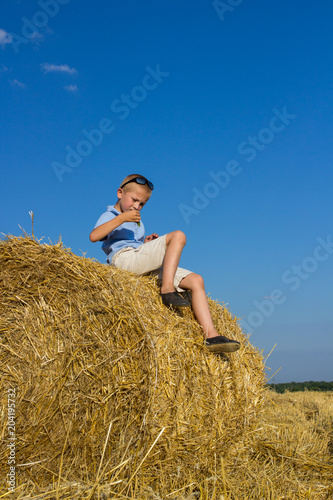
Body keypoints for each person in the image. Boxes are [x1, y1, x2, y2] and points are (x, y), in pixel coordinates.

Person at [89, 174, 240, 353]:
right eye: (134, 200)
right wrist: (121, 218)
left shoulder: (137, 221)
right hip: (122, 260)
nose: (137, 206)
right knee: (178, 236)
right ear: (120, 193)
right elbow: (94, 236)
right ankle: (167, 289)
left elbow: (133, 245)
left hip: (136, 259)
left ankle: (211, 336)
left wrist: (146, 243)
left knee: (196, 280)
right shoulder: (111, 214)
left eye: (142, 204)